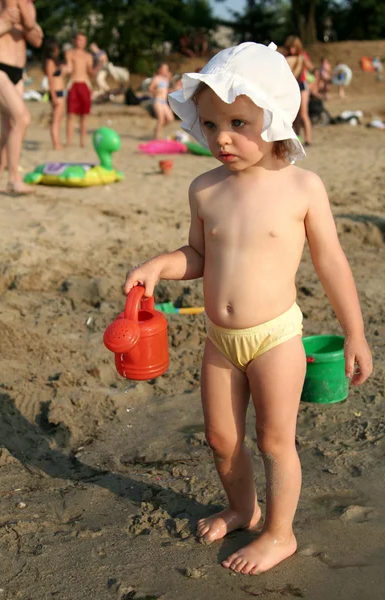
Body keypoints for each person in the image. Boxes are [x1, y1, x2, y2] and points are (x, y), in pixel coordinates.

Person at [124, 42, 372, 575]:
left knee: (275, 440)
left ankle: (279, 534)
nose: (222, 137)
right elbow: (197, 255)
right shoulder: (205, 189)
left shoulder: (302, 187)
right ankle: (243, 507)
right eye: (210, 124)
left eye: (238, 121)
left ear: (276, 115)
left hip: (275, 337)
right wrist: (160, 266)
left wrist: (356, 333)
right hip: (219, 338)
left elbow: (331, 263)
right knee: (220, 438)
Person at [0, 0, 43, 193]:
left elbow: (37, 41)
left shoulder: (28, 5)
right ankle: (13, 179)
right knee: (22, 118)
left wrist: (28, 24)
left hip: (17, 72)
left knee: (8, 131)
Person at [65, 32, 100, 147]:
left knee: (84, 115)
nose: (81, 42)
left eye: (83, 40)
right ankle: (69, 141)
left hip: (85, 84)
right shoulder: (69, 53)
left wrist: (100, 63)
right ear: (74, 41)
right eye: (79, 40)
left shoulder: (88, 56)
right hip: (73, 84)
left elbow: (92, 72)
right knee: (71, 114)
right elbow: (69, 69)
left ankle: (82, 141)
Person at [284, 35, 314, 146]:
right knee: (294, 115)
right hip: (291, 87)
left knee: (303, 114)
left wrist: (304, 62)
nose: (292, 50)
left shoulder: (302, 56)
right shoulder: (286, 57)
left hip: (301, 86)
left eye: (294, 48)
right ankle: (298, 137)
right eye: (290, 47)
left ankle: (308, 139)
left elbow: (312, 67)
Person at [43, 38, 70, 150]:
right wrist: (53, 96)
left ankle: (57, 142)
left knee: (58, 119)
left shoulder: (55, 62)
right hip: (56, 93)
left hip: (61, 92)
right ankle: (56, 143)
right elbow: (50, 80)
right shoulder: (49, 62)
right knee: (55, 119)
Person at [148, 62, 174, 139]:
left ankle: (157, 129)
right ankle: (157, 136)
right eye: (164, 69)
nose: (166, 70)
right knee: (161, 118)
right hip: (158, 100)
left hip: (164, 102)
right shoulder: (156, 78)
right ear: (160, 70)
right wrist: (155, 92)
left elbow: (165, 89)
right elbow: (150, 88)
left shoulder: (166, 79)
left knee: (170, 119)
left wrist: (169, 90)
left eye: (167, 69)